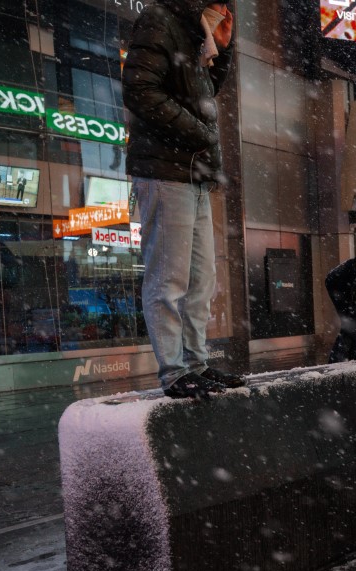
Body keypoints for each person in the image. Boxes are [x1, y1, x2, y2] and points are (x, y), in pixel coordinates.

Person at [123, 0, 242, 398]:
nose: (224, 9)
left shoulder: (196, 36)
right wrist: (197, 133)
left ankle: (195, 363)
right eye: (219, 2)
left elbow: (206, 94)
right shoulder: (160, 21)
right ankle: (174, 372)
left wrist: (221, 52)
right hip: (164, 168)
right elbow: (139, 89)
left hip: (193, 171)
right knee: (169, 278)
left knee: (200, 280)